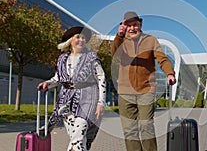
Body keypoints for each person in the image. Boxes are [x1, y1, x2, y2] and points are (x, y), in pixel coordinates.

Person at [111, 11, 176, 151]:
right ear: (124, 27)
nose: (132, 28)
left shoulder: (151, 40)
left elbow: (162, 59)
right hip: (125, 91)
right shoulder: (121, 41)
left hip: (146, 89)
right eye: (129, 26)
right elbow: (115, 55)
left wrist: (169, 73)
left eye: (135, 25)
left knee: (146, 126)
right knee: (129, 130)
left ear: (140, 24)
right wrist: (119, 36)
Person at [38, 26, 106, 151]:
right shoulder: (62, 59)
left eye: (84, 38)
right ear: (70, 41)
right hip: (66, 100)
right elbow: (58, 78)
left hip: (88, 99)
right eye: (78, 37)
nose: (81, 40)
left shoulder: (91, 57)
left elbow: (101, 79)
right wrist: (48, 83)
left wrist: (101, 102)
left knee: (78, 137)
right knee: (77, 141)